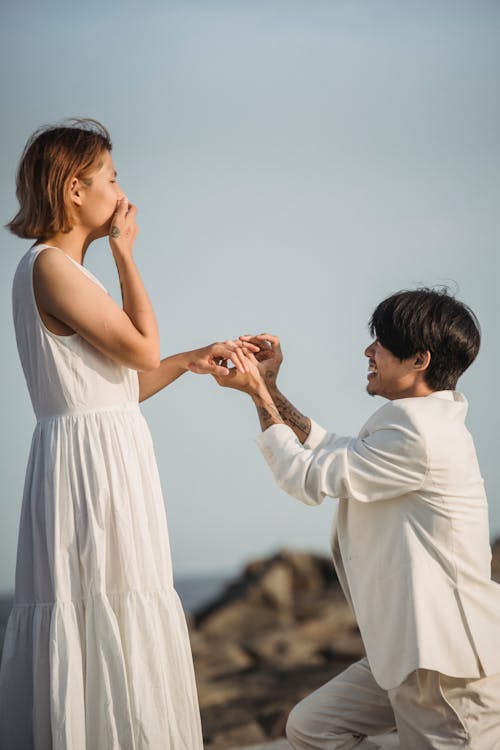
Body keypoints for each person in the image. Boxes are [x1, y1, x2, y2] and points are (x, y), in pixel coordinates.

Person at [0, 118, 255, 749]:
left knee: (120, 604)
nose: (121, 190)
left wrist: (189, 360)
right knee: (108, 607)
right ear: (74, 191)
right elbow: (142, 350)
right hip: (90, 466)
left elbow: (118, 385)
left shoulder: (61, 271)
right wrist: (125, 252)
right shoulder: (53, 268)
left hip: (101, 452)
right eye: (110, 177)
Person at [214, 290, 500, 749]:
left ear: (419, 360)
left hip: (447, 667)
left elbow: (306, 477)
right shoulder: (418, 423)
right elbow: (332, 451)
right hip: (408, 653)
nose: (369, 352)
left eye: (381, 343)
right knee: (313, 727)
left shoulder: (419, 433)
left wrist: (256, 394)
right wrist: (268, 388)